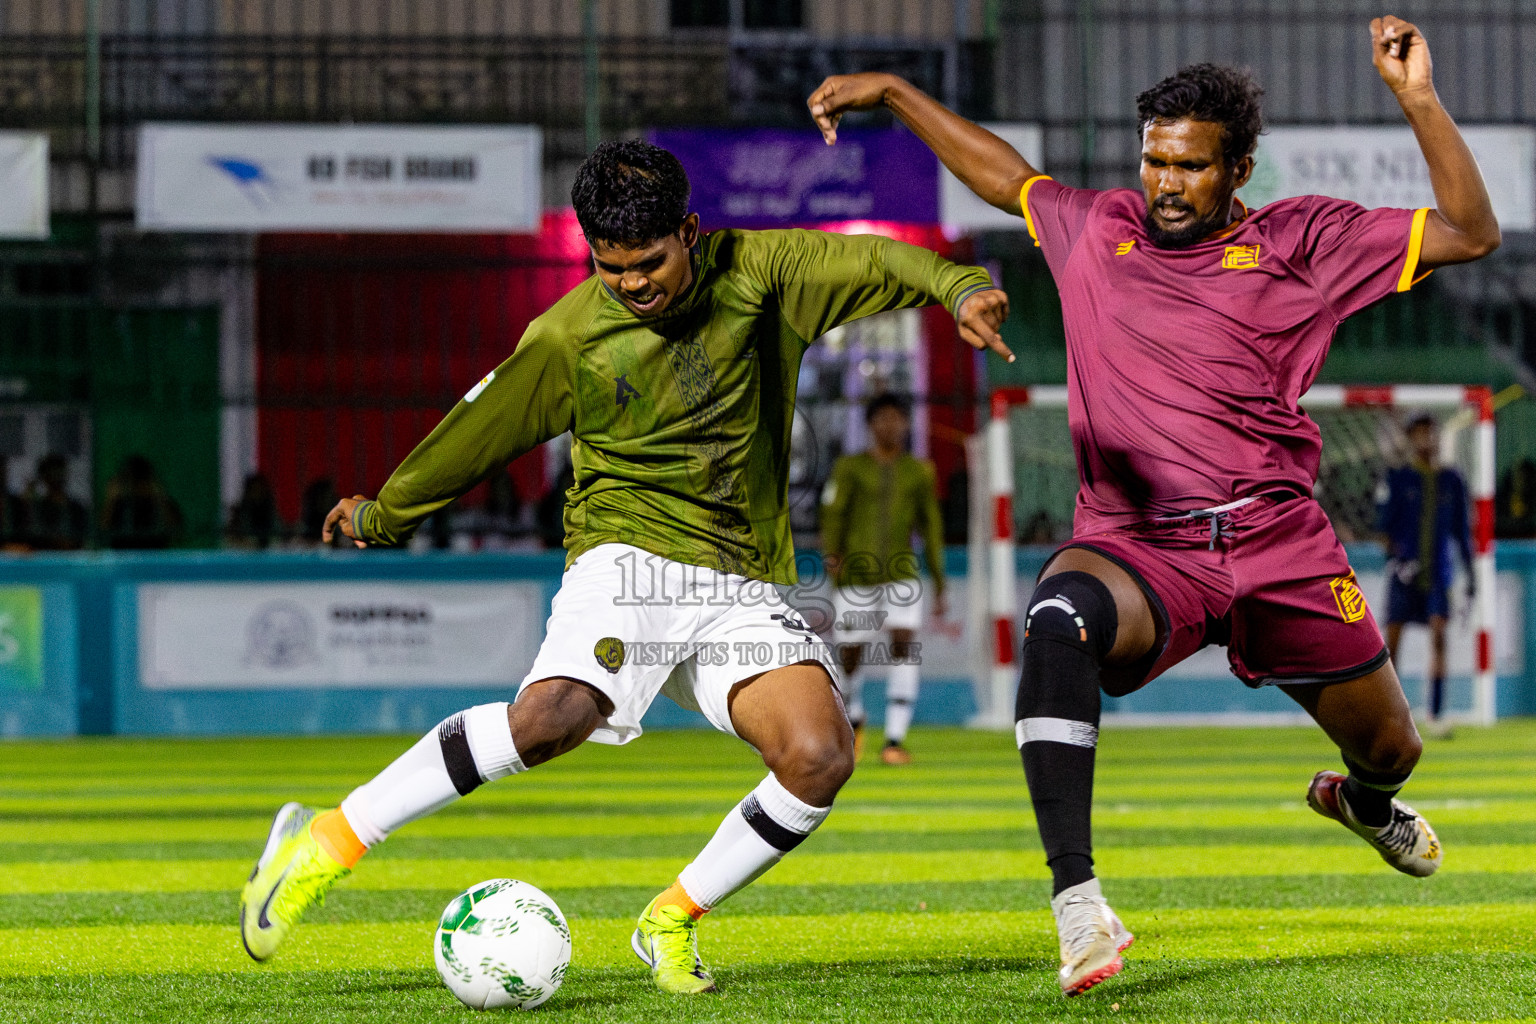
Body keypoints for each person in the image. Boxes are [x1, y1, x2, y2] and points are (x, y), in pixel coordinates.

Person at [809, 14, 1499, 996]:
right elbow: (1006, 175)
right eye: (1153, 162)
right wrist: (895, 94)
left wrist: (1419, 101)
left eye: (1189, 167)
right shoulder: (1099, 231)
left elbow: (1474, 231)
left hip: (1279, 543)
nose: (1165, 184)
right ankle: (1078, 904)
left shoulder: (1302, 240)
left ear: (1238, 168)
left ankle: (1359, 801)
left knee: (1392, 747)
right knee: (1054, 620)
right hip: (1141, 550)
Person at [238, 139, 1011, 993]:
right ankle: (327, 840)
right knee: (552, 718)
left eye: (649, 262)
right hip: (625, 550)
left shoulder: (764, 271)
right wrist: (385, 512)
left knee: (820, 754)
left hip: (740, 583)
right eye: (612, 269)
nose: (633, 283)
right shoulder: (568, 336)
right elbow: (478, 431)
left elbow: (878, 258)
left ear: (689, 231)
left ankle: (671, 918)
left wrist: (964, 286)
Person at [820, 393, 947, 764]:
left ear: (906, 424)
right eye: (882, 419)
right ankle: (855, 714)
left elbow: (931, 526)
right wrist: (832, 553)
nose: (890, 425)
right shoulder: (849, 468)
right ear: (870, 425)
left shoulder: (919, 471)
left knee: (904, 644)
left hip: (901, 573)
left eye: (897, 418)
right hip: (855, 575)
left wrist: (938, 580)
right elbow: (833, 513)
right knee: (851, 653)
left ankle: (894, 738)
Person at [1377, 413, 1472, 734]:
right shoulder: (1398, 478)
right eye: (1418, 434)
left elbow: (1462, 532)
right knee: (1392, 645)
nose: (1425, 440)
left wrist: (1470, 575)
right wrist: (1397, 558)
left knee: (1439, 637)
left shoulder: (1452, 480)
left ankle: (1434, 713)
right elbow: (1384, 528)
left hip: (1439, 575)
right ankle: (1392, 717)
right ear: (1409, 439)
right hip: (1404, 574)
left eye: (1429, 433)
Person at [101, 454, 182, 550]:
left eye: (140, 481)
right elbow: (101, 532)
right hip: (121, 558)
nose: (135, 487)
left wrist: (160, 497)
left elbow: (177, 532)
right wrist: (111, 500)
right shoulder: (119, 503)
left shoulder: (159, 502)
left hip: (154, 558)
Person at [23, 454, 88, 551]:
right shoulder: (39, 509)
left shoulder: (77, 508)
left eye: (59, 472)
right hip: (48, 560)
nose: (56, 477)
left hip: (74, 559)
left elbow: (86, 537)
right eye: (52, 473)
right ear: (44, 477)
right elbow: (36, 537)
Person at [225, 473, 283, 550]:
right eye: (254, 489)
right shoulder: (239, 514)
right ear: (248, 491)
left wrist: (265, 543)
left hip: (269, 555)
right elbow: (229, 538)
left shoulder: (271, 511)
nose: (257, 493)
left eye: (260, 490)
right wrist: (243, 542)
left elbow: (279, 536)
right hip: (244, 554)